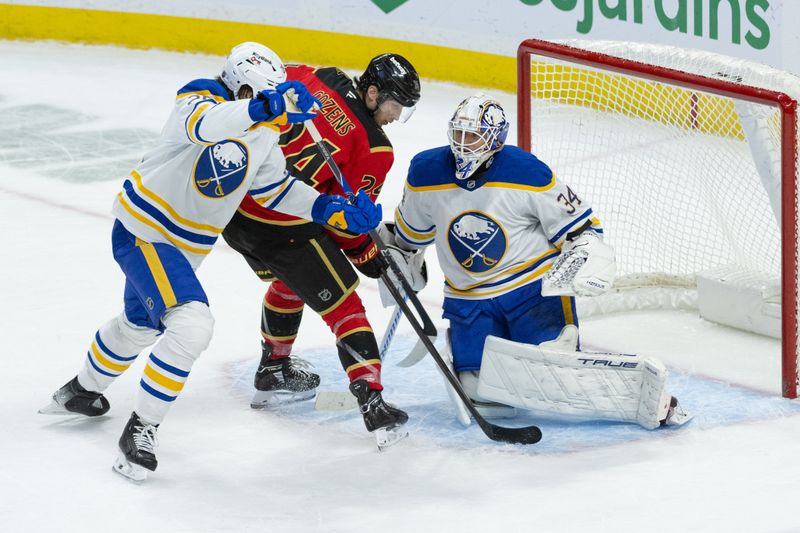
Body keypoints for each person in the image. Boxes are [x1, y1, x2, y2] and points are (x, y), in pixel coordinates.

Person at [39, 42, 382, 481]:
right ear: (240, 87)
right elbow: (205, 126)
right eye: (259, 97)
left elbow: (274, 189)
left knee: (139, 324)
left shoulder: (264, 129)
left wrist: (329, 210)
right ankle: (141, 429)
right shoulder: (199, 96)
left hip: (182, 248)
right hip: (144, 232)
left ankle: (79, 392)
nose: (269, 109)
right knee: (192, 324)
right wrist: (260, 110)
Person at [381, 93, 691, 430]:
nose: (463, 144)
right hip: (469, 301)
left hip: (531, 292)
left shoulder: (526, 171)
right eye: (459, 134)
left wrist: (582, 257)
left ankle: (640, 397)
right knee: (481, 391)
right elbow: (409, 237)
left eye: (473, 136)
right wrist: (397, 258)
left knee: (551, 372)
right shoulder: (426, 172)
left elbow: (583, 228)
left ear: (495, 139)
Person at [221, 54, 421, 447]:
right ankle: (372, 401)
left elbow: (262, 91)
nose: (396, 116)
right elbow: (344, 219)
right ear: (373, 92)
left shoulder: (316, 77)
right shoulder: (377, 150)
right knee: (345, 305)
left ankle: (274, 369)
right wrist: (365, 254)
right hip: (279, 226)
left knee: (294, 279)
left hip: (233, 207)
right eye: (394, 105)